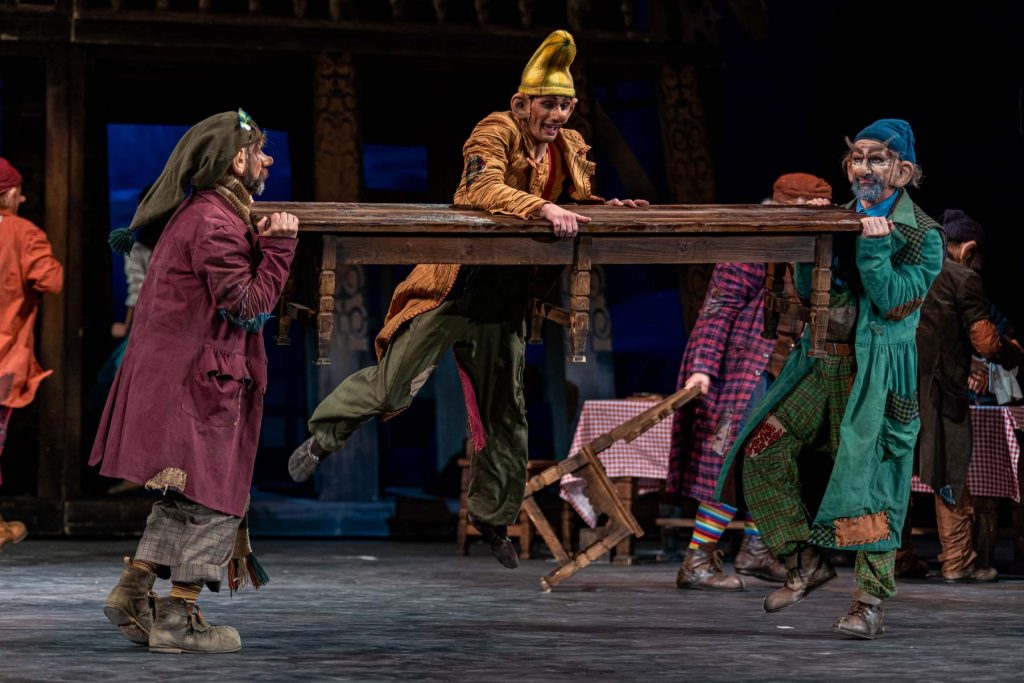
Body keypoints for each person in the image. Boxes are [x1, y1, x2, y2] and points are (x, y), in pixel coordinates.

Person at [288, 30, 647, 569]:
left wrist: (603, 206)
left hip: (506, 293)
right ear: (521, 104)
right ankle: (324, 436)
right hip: (457, 281)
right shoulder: (494, 130)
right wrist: (542, 209)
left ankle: (494, 519)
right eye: (548, 104)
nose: (557, 115)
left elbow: (572, 197)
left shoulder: (569, 145)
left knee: (506, 410)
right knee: (393, 384)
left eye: (565, 105)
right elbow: (477, 191)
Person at [716, 119, 944, 640]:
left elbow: (892, 302)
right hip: (822, 365)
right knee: (762, 448)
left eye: (877, 159)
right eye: (857, 158)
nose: (864, 168)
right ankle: (804, 561)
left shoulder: (923, 234)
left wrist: (874, 245)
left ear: (903, 171)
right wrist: (810, 234)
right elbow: (808, 291)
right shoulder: (841, 217)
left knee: (873, 484)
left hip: (878, 374)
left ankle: (868, 602)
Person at [90, 110, 298, 654]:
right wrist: (280, 248)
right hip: (197, 383)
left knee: (185, 498)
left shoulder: (207, 214)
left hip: (186, 377)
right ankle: (178, 618)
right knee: (218, 498)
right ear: (236, 161)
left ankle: (133, 592)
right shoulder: (214, 223)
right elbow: (247, 307)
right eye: (259, 151)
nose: (268, 159)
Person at [670, 173, 832, 591]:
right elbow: (719, 307)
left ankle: (757, 549)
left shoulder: (822, 247)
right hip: (750, 371)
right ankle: (698, 558)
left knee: (774, 459)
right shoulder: (754, 245)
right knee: (732, 461)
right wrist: (702, 367)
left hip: (792, 375)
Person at [912, 208, 1020, 582]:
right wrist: (1012, 354)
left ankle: (896, 558)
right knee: (950, 469)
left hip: (898, 384)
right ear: (969, 249)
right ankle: (958, 561)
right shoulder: (962, 277)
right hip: (940, 390)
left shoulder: (912, 269)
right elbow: (986, 342)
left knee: (896, 474)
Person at [0, 157, 64, 549]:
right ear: (8, 193)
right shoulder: (22, 233)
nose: (22, 198)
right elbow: (51, 279)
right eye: (18, 191)